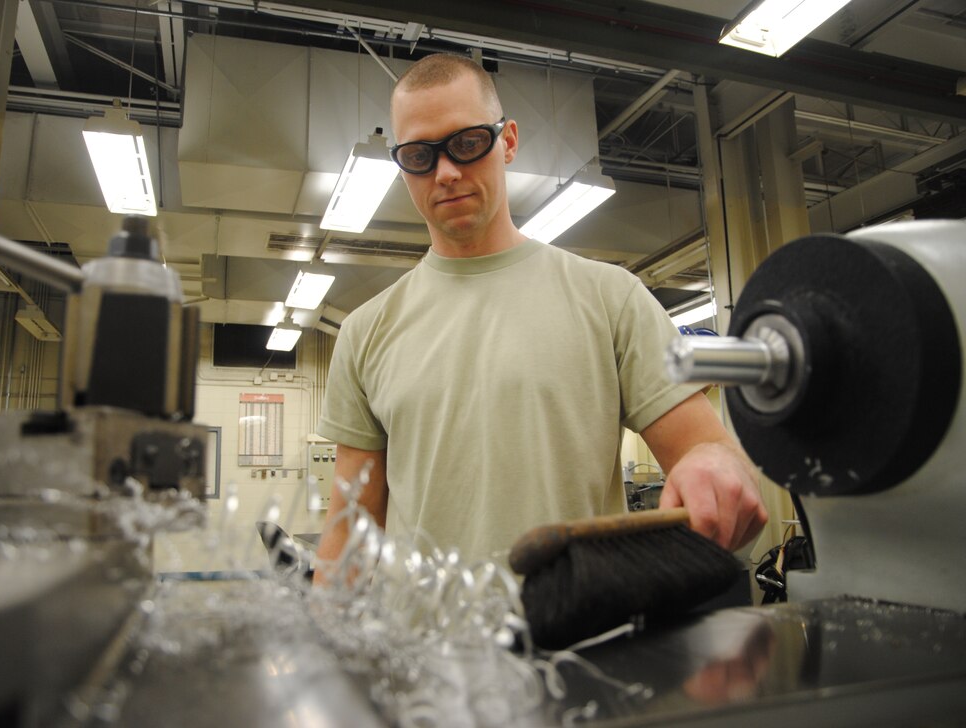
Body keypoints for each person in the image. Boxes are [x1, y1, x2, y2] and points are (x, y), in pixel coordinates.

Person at [313, 53, 766, 580]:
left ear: (506, 141)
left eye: (466, 143)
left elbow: (710, 452)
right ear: (401, 163)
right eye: (419, 155)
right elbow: (352, 531)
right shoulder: (366, 331)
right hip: (428, 657)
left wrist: (716, 468)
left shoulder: (609, 298)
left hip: (581, 649)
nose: (447, 172)